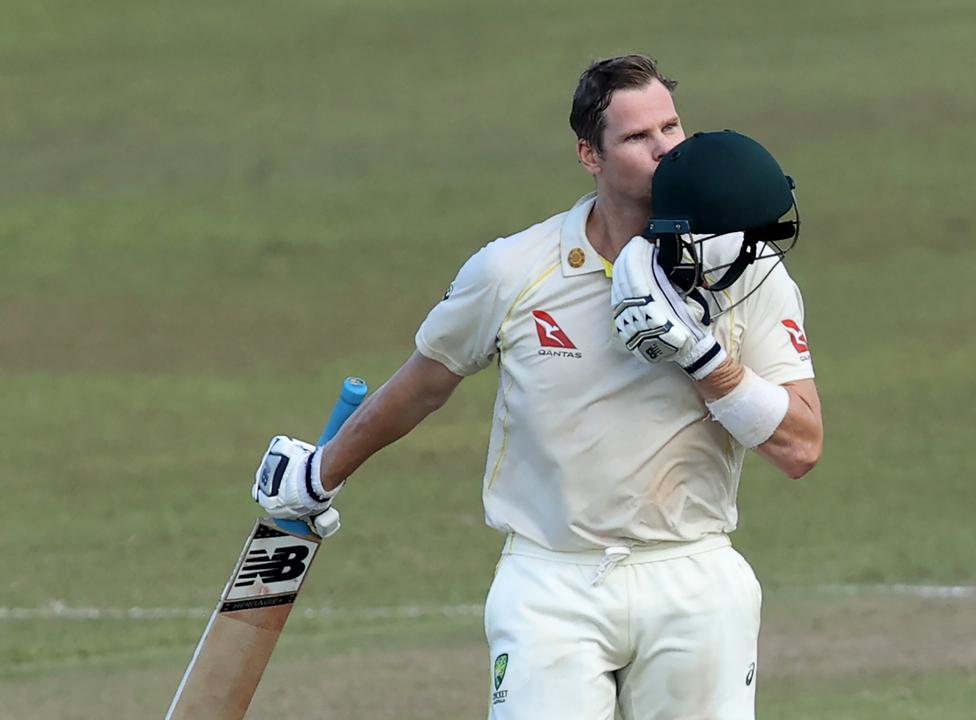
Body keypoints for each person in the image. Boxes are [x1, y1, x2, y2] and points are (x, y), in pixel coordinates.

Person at [252, 53, 824, 720]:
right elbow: (423, 385)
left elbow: (800, 447)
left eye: (671, 128)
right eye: (639, 138)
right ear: (590, 153)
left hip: (693, 576)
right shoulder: (513, 270)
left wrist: (703, 358)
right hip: (551, 582)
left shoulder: (744, 271)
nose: (665, 151)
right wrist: (322, 470)